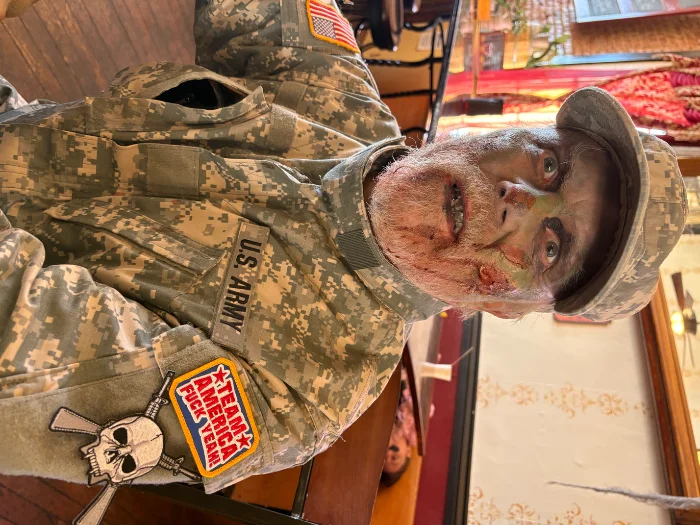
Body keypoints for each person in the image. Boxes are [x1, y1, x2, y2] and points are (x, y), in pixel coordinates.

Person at [0, 0, 688, 499]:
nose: (519, 198)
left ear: (506, 305)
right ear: (510, 130)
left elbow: (14, 345)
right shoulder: (337, 100)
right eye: (549, 165)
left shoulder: (299, 390)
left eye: (550, 247)